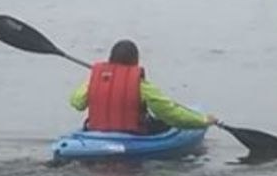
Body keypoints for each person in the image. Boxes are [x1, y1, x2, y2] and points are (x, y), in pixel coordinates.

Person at [70, 39, 217, 134]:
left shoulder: (93, 81)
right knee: (164, 124)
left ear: (110, 59)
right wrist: (203, 121)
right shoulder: (142, 87)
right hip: (132, 135)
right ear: (135, 61)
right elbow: (170, 114)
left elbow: (76, 103)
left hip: (96, 133)